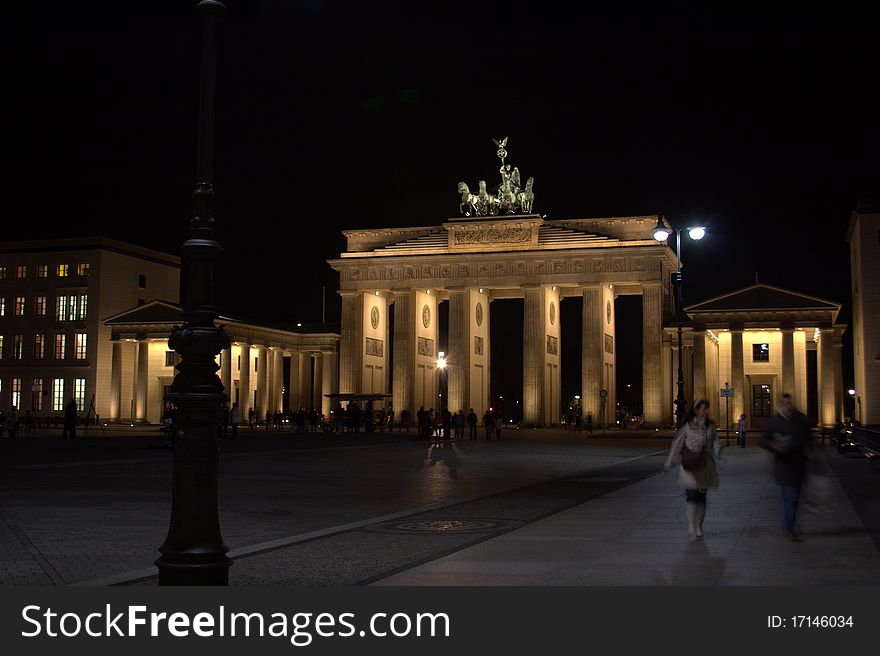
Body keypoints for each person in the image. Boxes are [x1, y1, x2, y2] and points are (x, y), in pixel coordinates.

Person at [759, 393, 815, 542]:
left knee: (794, 499)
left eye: (790, 403)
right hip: (783, 465)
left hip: (798, 465)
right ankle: (790, 529)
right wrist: (773, 445)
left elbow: (809, 441)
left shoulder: (802, 420)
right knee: (790, 497)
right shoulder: (774, 422)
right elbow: (763, 440)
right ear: (780, 405)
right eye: (785, 403)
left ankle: (790, 525)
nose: (789, 406)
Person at [664, 399, 721, 541]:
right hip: (689, 465)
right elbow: (677, 444)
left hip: (705, 465)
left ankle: (698, 526)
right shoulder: (687, 426)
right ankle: (691, 527)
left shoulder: (710, 426)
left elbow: (715, 442)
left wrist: (718, 451)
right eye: (703, 408)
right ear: (696, 410)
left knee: (701, 498)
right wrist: (669, 461)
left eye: (707, 409)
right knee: (691, 496)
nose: (706, 411)